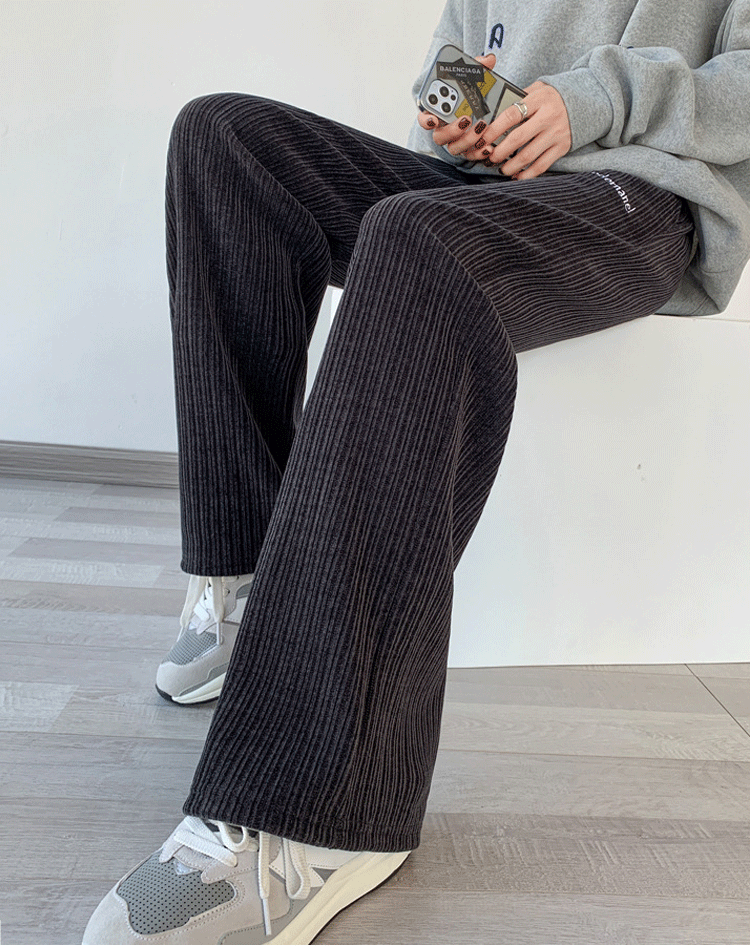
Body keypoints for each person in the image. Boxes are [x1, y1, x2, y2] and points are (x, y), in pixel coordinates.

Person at [83, 0, 750, 942]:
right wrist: (456, 115)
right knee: (223, 138)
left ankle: (320, 807)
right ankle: (243, 588)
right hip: (480, 184)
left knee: (414, 238)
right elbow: (457, 54)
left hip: (636, 196)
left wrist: (593, 101)